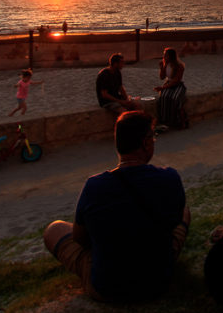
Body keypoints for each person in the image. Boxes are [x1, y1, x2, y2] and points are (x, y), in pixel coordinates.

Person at [43, 111, 190, 302]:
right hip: (158, 282)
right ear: (146, 143)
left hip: (108, 288)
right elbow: (174, 221)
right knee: (184, 212)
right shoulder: (170, 178)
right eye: (153, 138)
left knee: (54, 229)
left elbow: (80, 238)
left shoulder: (94, 186)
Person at [155, 47, 188, 129]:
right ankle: (165, 120)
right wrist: (162, 67)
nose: (164, 57)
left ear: (171, 56)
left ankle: (178, 121)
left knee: (174, 98)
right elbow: (162, 77)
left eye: (166, 55)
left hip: (178, 85)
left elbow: (176, 80)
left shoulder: (180, 66)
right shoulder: (165, 64)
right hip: (168, 84)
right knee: (163, 97)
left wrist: (163, 88)